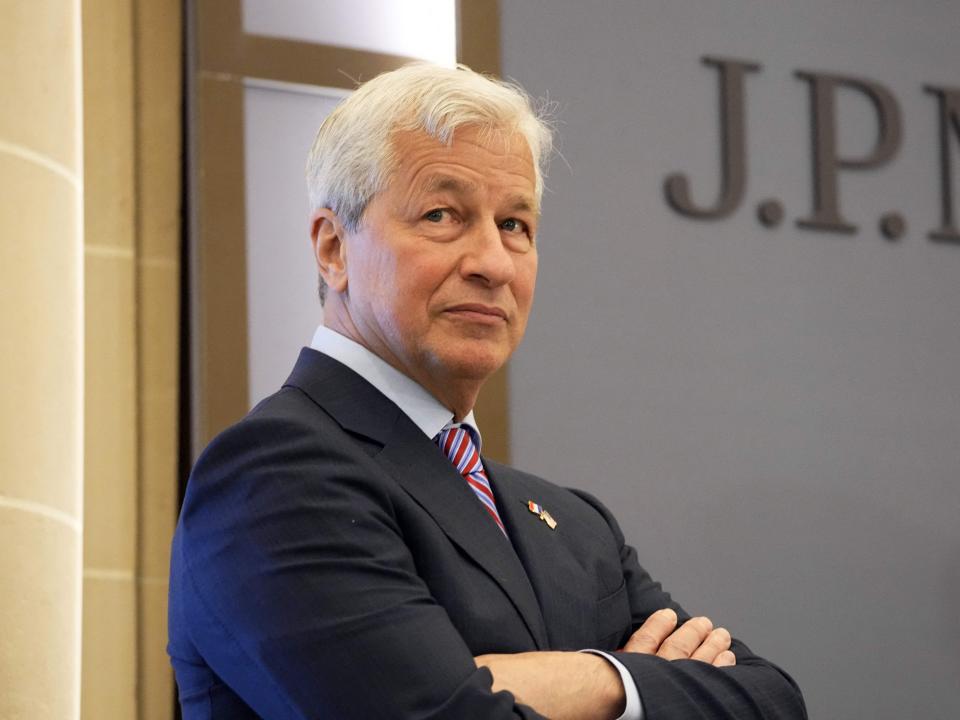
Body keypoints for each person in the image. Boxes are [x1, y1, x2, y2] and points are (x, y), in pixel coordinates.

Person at [167, 62, 806, 719]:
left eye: (514, 226)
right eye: (443, 215)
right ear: (334, 248)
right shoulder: (276, 474)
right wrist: (642, 684)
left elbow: (772, 701)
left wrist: (600, 679)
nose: (493, 263)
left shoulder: (575, 528)